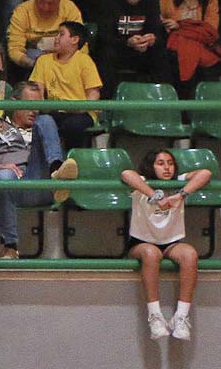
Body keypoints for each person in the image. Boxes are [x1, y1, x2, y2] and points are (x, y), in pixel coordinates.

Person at [122, 149, 208, 341]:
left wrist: (181, 195)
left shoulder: (179, 180)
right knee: (152, 254)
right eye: (160, 163)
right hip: (143, 243)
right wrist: (155, 195)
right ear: (151, 166)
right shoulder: (142, 181)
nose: (167, 167)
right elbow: (126, 174)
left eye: (170, 162)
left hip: (171, 243)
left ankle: (181, 316)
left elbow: (205, 173)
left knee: (190, 255)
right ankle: (155, 315)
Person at [0, 86, 56, 261]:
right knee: (4, 177)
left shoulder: (41, 125)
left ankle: (57, 170)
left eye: (38, 105)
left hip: (39, 179)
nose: (34, 111)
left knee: (46, 120)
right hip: (8, 184)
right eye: (29, 104)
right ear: (15, 103)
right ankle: (10, 246)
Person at [97, 0, 173, 94]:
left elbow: (157, 32)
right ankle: (107, 105)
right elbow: (104, 35)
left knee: (165, 56)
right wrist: (127, 42)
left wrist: (151, 39)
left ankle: (160, 101)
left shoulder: (151, 1)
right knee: (104, 55)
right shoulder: (109, 0)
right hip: (117, 50)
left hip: (143, 51)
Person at [29, 21, 102, 153]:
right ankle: (55, 165)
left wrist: (80, 108)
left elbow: (94, 94)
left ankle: (73, 162)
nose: (56, 38)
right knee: (42, 121)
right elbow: (37, 90)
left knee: (73, 125)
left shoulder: (85, 61)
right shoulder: (43, 61)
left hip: (81, 113)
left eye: (61, 34)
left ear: (74, 40)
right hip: (54, 111)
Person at [161, 0, 221, 97]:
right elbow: (162, 26)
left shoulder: (210, 1)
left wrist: (180, 26)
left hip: (203, 50)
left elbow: (210, 32)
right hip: (173, 51)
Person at [6, 0, 81, 79]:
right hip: (32, 57)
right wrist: (35, 64)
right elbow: (14, 49)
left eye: (51, 4)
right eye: (41, 2)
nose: (46, 8)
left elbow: (79, 43)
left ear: (59, 0)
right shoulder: (22, 11)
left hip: (64, 56)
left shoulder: (69, 8)